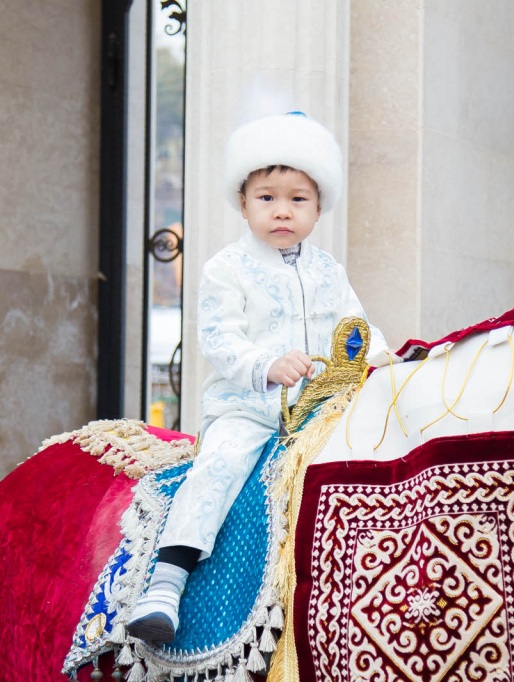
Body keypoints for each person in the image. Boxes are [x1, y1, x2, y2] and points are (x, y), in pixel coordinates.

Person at [126, 111, 389, 642]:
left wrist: (382, 357)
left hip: (322, 409)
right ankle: (167, 581)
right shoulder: (227, 268)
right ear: (243, 205)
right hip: (247, 408)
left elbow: (355, 328)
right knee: (219, 465)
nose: (282, 211)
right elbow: (218, 338)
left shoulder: (327, 272)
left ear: (318, 209)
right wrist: (265, 367)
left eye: (298, 199)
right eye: (267, 198)